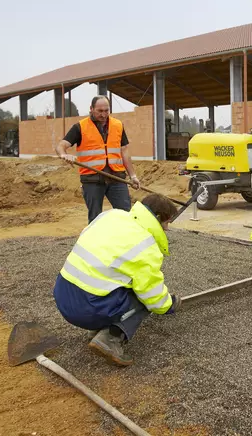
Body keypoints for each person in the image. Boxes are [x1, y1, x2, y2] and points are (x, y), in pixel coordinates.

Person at [53, 193, 180, 366]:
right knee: (142, 297)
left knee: (114, 278)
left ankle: (97, 329)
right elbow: (152, 294)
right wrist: (168, 305)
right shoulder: (146, 246)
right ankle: (110, 338)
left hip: (63, 295)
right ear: (158, 218)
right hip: (87, 309)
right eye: (167, 223)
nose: (167, 228)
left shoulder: (111, 215)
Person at [56, 95, 142, 223]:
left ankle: (125, 241)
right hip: (92, 180)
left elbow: (124, 151)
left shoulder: (118, 125)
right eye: (100, 111)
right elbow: (61, 146)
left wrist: (133, 176)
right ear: (91, 109)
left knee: (125, 214)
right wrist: (64, 155)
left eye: (106, 111)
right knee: (95, 219)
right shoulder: (80, 127)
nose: (103, 114)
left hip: (116, 178)